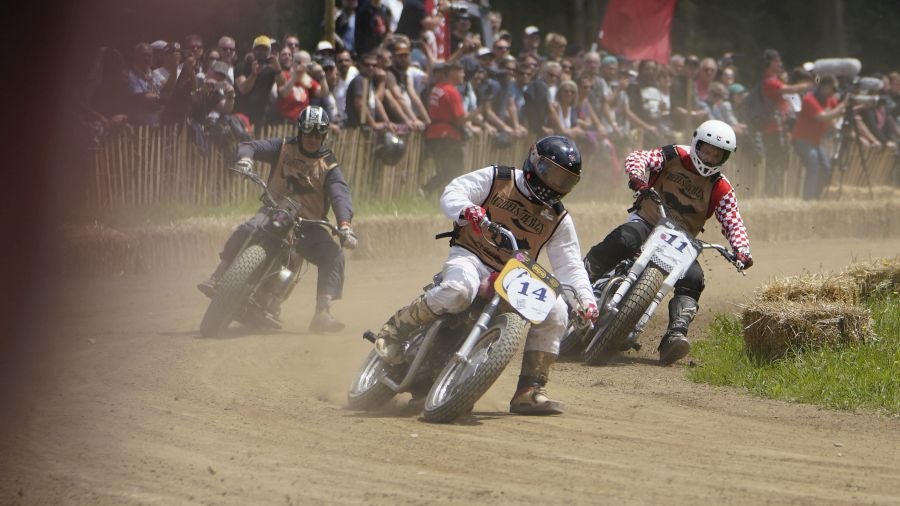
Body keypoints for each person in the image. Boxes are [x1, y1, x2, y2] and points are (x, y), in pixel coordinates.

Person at [371, 136, 599, 415]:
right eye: (551, 174)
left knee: (557, 311)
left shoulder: (559, 219)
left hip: (514, 274)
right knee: (459, 290)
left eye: (565, 181)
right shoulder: (499, 178)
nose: (555, 184)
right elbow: (455, 191)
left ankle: (530, 389)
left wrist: (586, 303)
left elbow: (570, 266)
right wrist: (467, 209)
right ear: (534, 162)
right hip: (471, 256)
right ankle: (400, 326)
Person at [583, 119, 753, 365]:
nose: (709, 158)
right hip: (649, 220)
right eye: (706, 150)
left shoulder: (721, 187)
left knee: (694, 277)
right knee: (626, 238)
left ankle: (675, 334)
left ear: (724, 158)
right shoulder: (674, 154)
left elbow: (733, 221)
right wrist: (638, 177)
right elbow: (639, 157)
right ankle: (584, 275)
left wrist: (742, 250)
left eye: (717, 155)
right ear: (696, 144)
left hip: (682, 240)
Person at [197, 106, 357, 333]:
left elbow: (341, 195)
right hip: (276, 210)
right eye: (309, 131)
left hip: (306, 224)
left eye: (318, 133)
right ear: (300, 130)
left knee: (334, 255)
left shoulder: (329, 166)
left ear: (324, 135)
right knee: (250, 227)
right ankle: (219, 275)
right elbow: (250, 146)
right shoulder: (283, 147)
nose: (313, 138)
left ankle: (322, 312)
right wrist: (246, 159)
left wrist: (345, 226)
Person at [791, 75, 847, 200]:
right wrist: (841, 107)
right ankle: (808, 199)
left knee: (826, 168)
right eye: (833, 89)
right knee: (814, 165)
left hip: (815, 141)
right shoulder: (809, 99)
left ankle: (816, 198)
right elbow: (822, 117)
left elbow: (837, 113)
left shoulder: (829, 99)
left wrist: (847, 107)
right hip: (802, 140)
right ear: (825, 87)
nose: (834, 92)